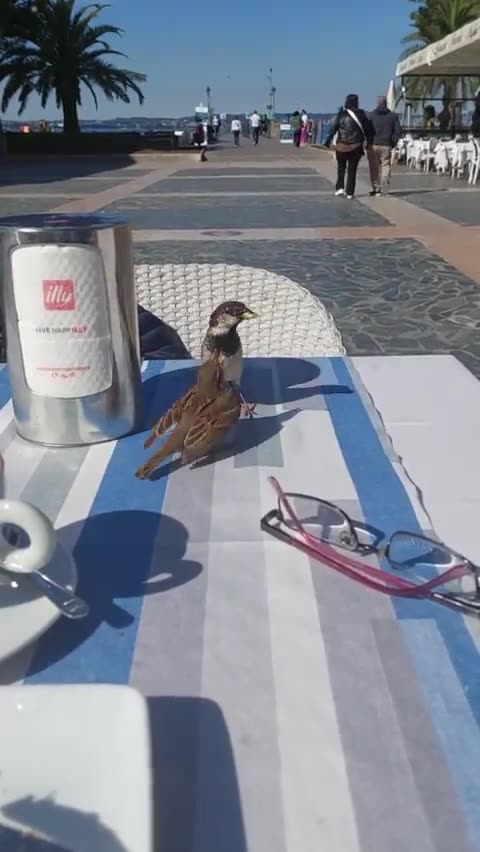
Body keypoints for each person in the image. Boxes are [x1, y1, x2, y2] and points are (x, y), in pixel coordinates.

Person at [325, 93, 373, 199]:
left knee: (341, 168)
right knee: (352, 170)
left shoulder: (341, 114)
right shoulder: (362, 114)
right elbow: (369, 130)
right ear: (357, 102)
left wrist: (327, 141)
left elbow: (334, 129)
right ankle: (350, 192)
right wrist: (369, 143)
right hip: (356, 146)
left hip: (341, 146)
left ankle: (339, 188)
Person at [367, 95, 401, 196]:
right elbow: (398, 131)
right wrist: (393, 143)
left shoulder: (371, 115)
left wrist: (367, 143)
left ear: (377, 103)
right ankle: (383, 188)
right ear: (386, 103)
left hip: (373, 144)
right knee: (386, 165)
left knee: (374, 168)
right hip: (386, 144)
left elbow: (367, 131)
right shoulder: (393, 116)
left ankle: (376, 188)